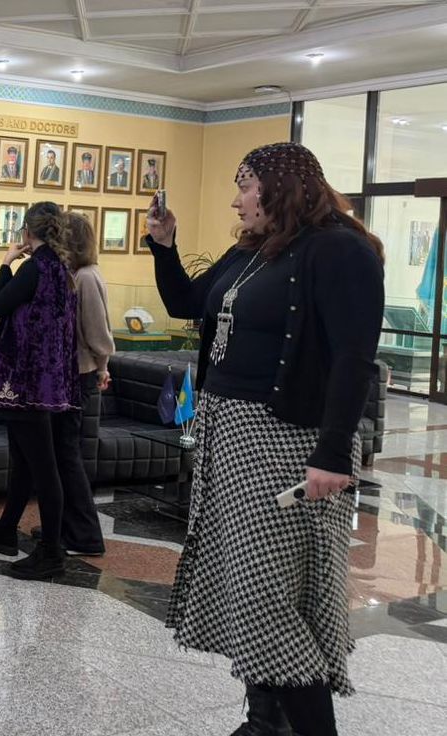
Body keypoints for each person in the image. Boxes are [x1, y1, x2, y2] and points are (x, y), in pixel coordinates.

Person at [147, 142, 384, 736]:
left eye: (245, 186)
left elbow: (354, 358)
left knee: (267, 598)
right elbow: (187, 302)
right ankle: (263, 723)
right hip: (229, 437)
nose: (237, 200)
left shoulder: (340, 250)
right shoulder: (252, 249)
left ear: (280, 186)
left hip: (285, 442)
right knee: (247, 584)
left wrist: (333, 452)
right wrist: (164, 245)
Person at [0, 201, 81, 580]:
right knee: (25, 462)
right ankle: (5, 530)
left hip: (26, 383)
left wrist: (5, 263)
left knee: (43, 469)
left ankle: (51, 553)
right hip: (46, 382)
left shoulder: (34, 269)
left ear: (27, 232)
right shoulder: (61, 269)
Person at [51, 210, 112, 555]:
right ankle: (66, 526)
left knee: (67, 454)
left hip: (80, 373)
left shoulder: (87, 277)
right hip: (73, 373)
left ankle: (86, 535)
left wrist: (102, 366)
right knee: (62, 454)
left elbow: (98, 333)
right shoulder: (77, 274)